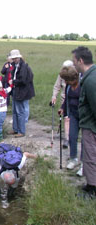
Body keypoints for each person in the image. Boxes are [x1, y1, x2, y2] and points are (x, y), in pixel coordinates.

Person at [72, 46, 96, 196]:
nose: (73, 65)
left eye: (74, 61)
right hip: (89, 125)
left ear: (80, 60)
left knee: (91, 156)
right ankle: (89, 185)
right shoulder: (90, 76)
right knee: (89, 155)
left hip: (91, 126)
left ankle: (92, 190)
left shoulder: (91, 80)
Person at [58, 65, 82, 175]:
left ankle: (84, 164)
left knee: (86, 141)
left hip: (84, 115)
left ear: (74, 78)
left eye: (67, 79)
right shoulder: (68, 86)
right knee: (72, 136)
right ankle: (73, 159)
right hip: (73, 114)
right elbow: (67, 99)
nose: (66, 82)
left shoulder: (83, 85)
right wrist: (62, 108)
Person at [9, 49, 35, 137]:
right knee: (14, 111)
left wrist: (13, 82)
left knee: (20, 112)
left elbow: (23, 80)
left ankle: (21, 131)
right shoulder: (15, 66)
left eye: (15, 58)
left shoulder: (23, 67)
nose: (14, 60)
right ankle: (15, 129)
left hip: (22, 91)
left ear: (19, 57)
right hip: (16, 91)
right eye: (13, 58)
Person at [51, 60, 73, 148]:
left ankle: (72, 137)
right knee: (66, 118)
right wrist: (54, 96)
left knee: (73, 120)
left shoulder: (76, 75)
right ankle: (67, 138)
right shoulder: (61, 75)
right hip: (64, 100)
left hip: (75, 100)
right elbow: (57, 86)